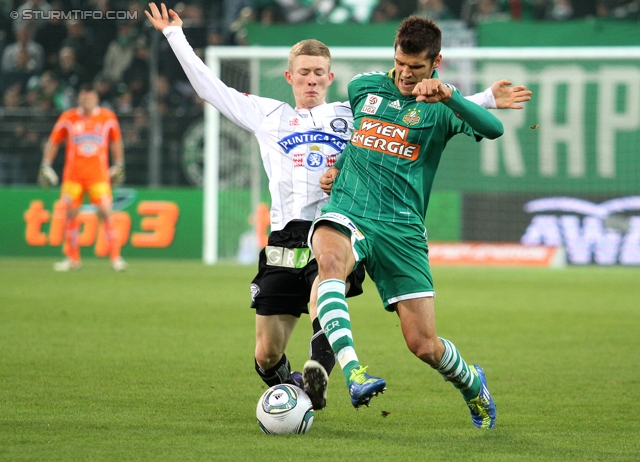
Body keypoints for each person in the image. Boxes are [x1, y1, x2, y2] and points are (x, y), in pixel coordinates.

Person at [145, 2, 529, 412]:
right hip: (298, 233)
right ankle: (299, 388)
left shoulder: (348, 112)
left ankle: (335, 380)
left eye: (318, 73)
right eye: (303, 73)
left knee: (371, 316)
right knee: (266, 353)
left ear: (330, 78)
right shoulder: (276, 114)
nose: (311, 80)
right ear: (289, 77)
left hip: (360, 225)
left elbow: (417, 111)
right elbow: (212, 89)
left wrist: (483, 98)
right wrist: (175, 35)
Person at [309, 15, 504, 429]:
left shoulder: (442, 109)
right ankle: (354, 373)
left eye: (415, 66)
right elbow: (362, 136)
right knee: (328, 263)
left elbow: (494, 128)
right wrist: (340, 167)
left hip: (401, 228)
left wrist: (450, 96)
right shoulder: (364, 86)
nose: (405, 72)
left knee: (423, 344)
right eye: (400, 62)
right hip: (349, 209)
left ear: (436, 62)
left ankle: (473, 385)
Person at [39, 83, 127, 272]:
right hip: (73, 176)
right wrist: (46, 164)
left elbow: (116, 141)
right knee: (71, 215)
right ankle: (72, 258)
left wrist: (119, 164)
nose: (87, 101)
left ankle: (116, 258)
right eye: (84, 98)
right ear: (79, 98)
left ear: (96, 99)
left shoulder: (107, 118)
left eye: (90, 98)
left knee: (106, 213)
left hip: (98, 175)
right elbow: (54, 141)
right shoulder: (68, 118)